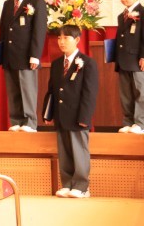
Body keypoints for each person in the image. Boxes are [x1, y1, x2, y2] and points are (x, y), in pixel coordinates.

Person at [44, 24, 98, 198]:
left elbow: (89, 93)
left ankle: (82, 186)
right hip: (61, 115)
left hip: (78, 117)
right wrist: (48, 113)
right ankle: (67, 184)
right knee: (64, 152)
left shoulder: (87, 63)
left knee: (79, 151)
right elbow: (52, 90)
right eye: (59, 38)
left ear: (77, 40)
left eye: (66, 38)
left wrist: (85, 117)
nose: (61, 41)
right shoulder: (56, 64)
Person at [0, 0, 47, 132]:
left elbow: (39, 31)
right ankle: (16, 121)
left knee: (27, 90)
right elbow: (3, 31)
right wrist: (0, 54)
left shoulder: (36, 2)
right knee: (13, 91)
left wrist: (35, 55)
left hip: (26, 55)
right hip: (9, 55)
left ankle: (29, 122)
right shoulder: (8, 4)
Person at [114, 0, 144, 134]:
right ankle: (128, 121)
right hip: (123, 60)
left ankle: (141, 123)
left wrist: (143, 56)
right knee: (125, 93)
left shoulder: (142, 13)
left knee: (140, 91)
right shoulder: (122, 16)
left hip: (137, 60)